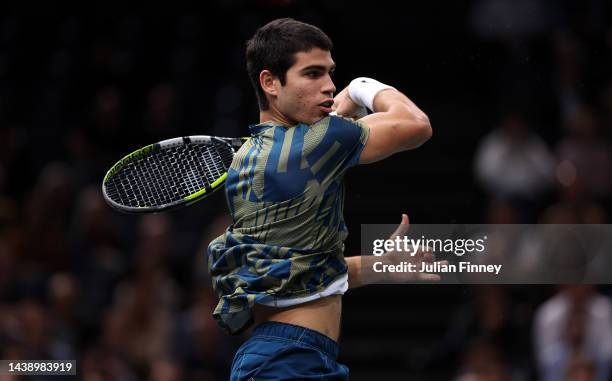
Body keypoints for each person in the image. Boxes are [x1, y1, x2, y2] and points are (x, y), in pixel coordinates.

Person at [207, 18, 435, 380]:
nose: (330, 87)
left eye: (332, 74)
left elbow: (306, 277)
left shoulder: (248, 158)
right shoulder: (315, 143)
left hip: (281, 356)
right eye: (312, 74)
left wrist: (381, 266)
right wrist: (361, 87)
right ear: (270, 83)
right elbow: (415, 123)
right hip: (289, 360)